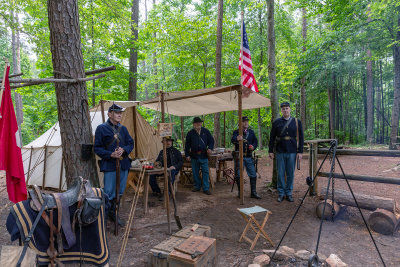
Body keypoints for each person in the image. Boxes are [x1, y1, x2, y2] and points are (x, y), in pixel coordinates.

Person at [94, 103, 134, 225]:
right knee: (109, 192)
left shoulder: (124, 129)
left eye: (120, 113)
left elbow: (130, 143)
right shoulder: (101, 128)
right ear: (109, 114)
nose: (119, 115)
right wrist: (110, 154)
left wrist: (124, 150)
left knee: (120, 191)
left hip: (123, 164)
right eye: (117, 113)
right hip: (110, 165)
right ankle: (104, 217)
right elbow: (97, 148)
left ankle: (114, 214)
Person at [268, 102, 304, 202]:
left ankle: (289, 193)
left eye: (287, 108)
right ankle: (281, 193)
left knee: (290, 174)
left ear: (290, 109)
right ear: (281, 110)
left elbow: (301, 138)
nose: (285, 110)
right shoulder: (276, 122)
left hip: (292, 151)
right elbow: (272, 138)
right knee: (280, 173)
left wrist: (300, 152)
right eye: (283, 109)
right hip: (280, 151)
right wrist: (270, 151)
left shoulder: (297, 122)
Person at [231, 116, 261, 199]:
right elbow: (232, 140)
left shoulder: (251, 132)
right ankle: (240, 193)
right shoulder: (236, 132)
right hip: (239, 157)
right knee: (238, 174)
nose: (246, 123)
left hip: (248, 156)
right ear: (240, 123)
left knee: (253, 174)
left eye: (247, 121)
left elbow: (255, 141)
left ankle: (253, 193)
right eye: (244, 121)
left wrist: (253, 147)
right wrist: (237, 138)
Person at [185, 117, 214, 195]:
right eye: (196, 123)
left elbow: (211, 141)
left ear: (201, 123)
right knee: (195, 172)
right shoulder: (190, 133)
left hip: (204, 155)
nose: (198, 124)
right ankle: (197, 186)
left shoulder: (206, 131)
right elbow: (187, 145)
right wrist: (187, 155)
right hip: (194, 155)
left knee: (205, 172)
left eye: (199, 123)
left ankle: (205, 188)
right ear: (194, 124)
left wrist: (210, 148)